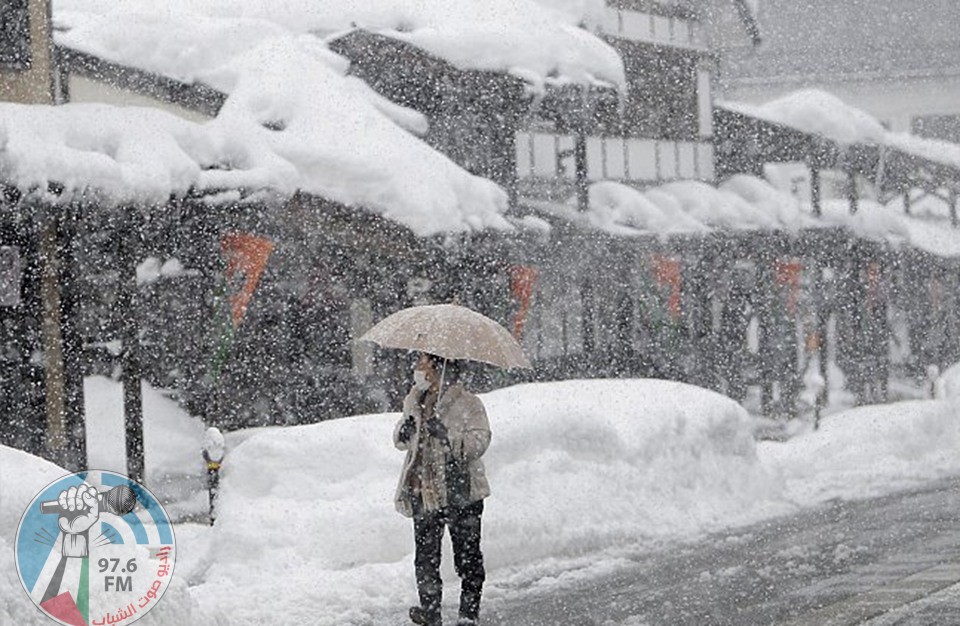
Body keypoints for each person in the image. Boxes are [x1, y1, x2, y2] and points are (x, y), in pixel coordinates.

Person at [393, 352, 491, 626]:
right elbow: (404, 441)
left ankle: (468, 615)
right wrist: (403, 432)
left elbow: (480, 440)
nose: (417, 369)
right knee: (425, 558)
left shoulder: (469, 404)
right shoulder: (414, 399)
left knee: (467, 557)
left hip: (460, 491)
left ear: (438, 368)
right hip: (424, 489)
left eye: (422, 363)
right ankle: (431, 612)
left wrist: (448, 436)